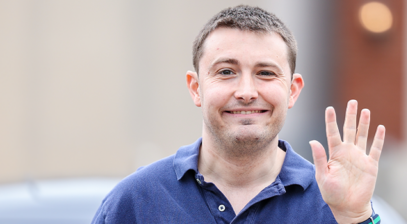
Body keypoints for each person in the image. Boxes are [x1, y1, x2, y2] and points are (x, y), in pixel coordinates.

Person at [92, 5, 386, 224]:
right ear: (196, 88)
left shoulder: (333, 203)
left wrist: (355, 216)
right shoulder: (134, 203)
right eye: (226, 72)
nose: (246, 91)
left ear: (293, 91)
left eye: (266, 73)